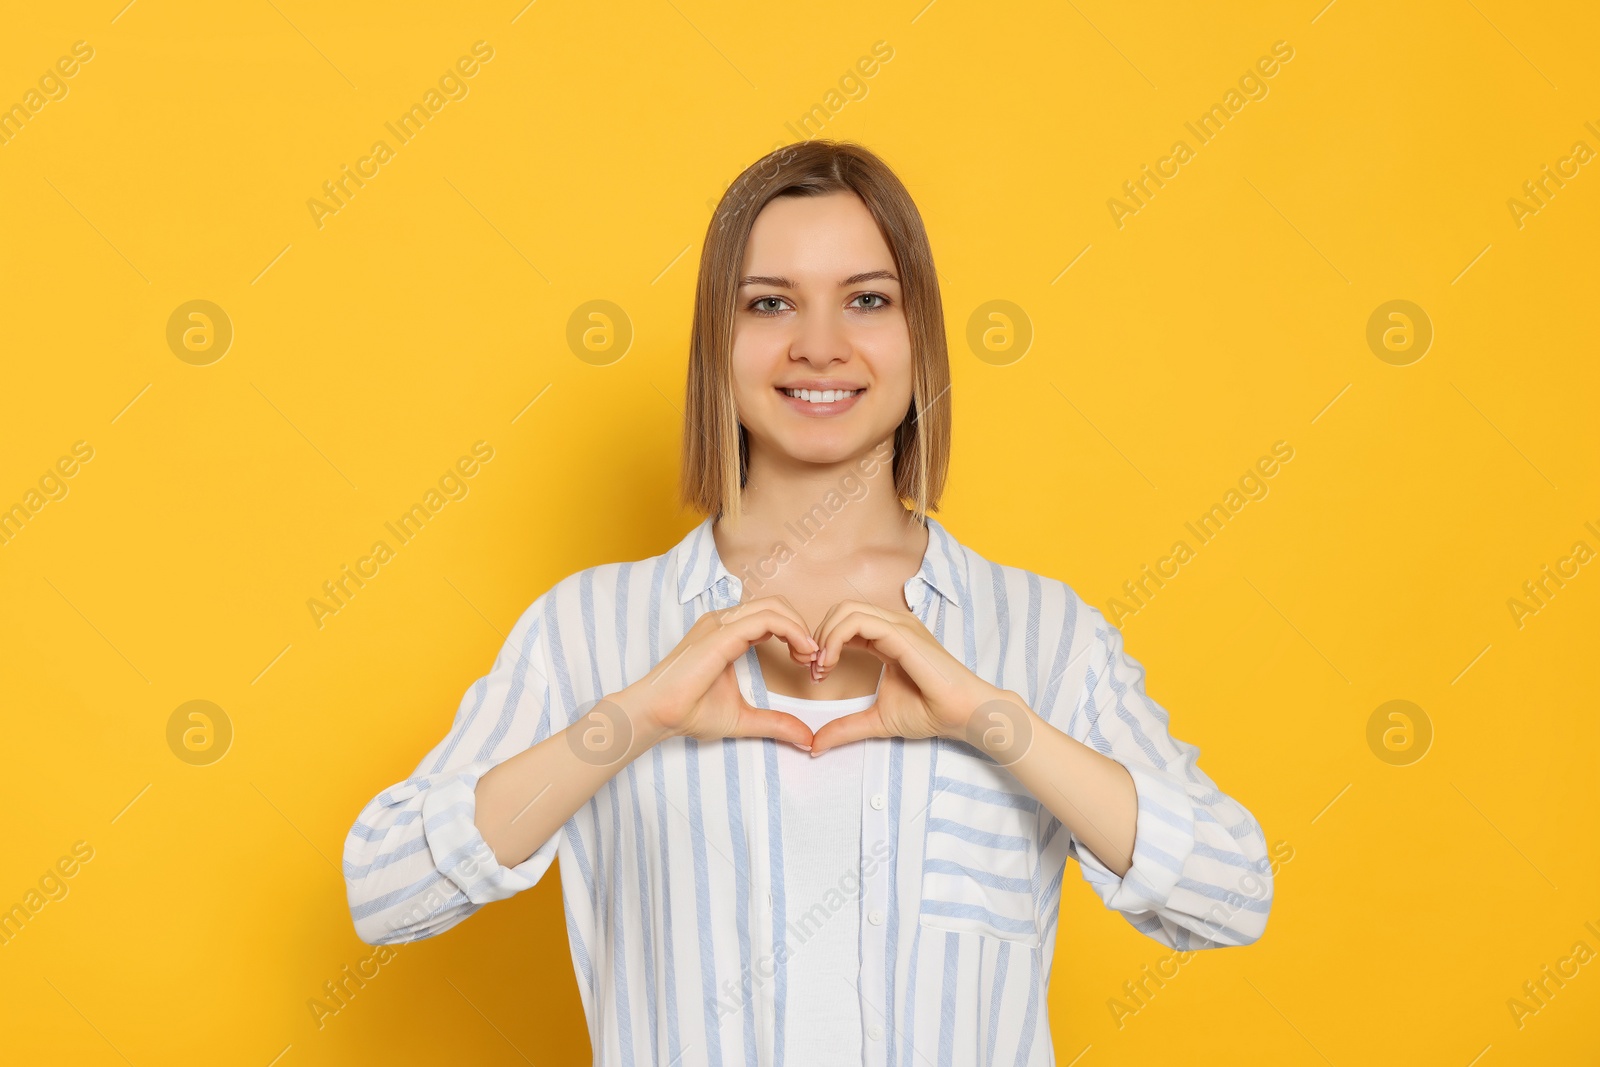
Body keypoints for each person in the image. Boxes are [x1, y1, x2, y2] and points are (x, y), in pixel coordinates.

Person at [343, 139, 1273, 1065]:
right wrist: (629, 720)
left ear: (921, 337)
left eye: (867, 299)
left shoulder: (1046, 633)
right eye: (769, 302)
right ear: (720, 338)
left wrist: (995, 722)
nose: (818, 344)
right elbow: (385, 891)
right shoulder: (586, 628)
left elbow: (1231, 895)